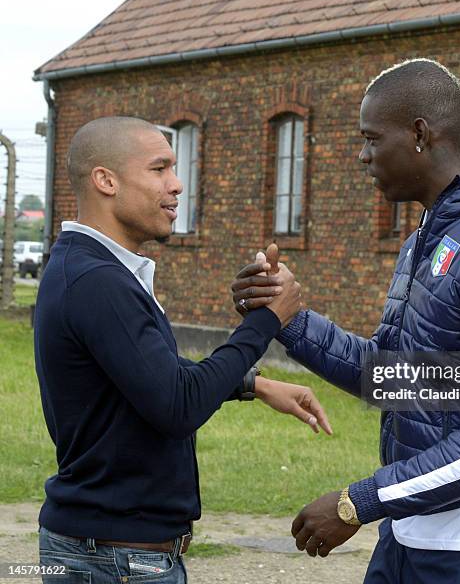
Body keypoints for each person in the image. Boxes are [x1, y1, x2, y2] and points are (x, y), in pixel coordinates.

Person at [232, 58, 460, 583]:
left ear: (420, 134)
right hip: (411, 532)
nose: (363, 155)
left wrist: (356, 503)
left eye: (372, 139)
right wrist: (288, 317)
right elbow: (397, 378)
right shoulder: (426, 240)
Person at [35, 116, 331, 583]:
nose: (177, 185)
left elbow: (154, 377)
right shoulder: (97, 281)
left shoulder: (89, 268)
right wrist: (267, 320)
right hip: (116, 560)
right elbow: (177, 404)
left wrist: (253, 383)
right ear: (105, 180)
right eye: (159, 169)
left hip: (111, 553)